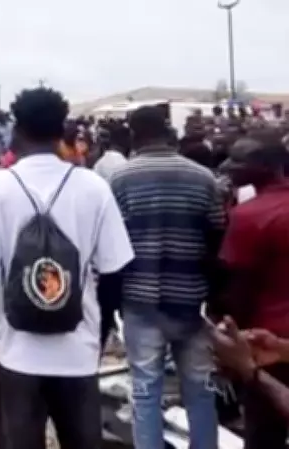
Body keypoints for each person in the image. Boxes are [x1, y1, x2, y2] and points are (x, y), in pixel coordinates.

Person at [0, 87, 134, 449]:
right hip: (78, 353)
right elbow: (115, 274)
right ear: (63, 131)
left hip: (16, 352)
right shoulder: (94, 188)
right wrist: (97, 337)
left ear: (17, 130)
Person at [109, 105, 226, 449]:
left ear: (134, 136)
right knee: (201, 391)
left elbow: (112, 243)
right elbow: (217, 235)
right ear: (168, 134)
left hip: (140, 298)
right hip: (191, 300)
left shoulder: (120, 179)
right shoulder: (203, 177)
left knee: (145, 392)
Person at [217, 133, 289, 448]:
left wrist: (231, 341)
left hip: (264, 341)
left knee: (264, 433)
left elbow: (239, 288)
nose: (230, 167)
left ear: (267, 167)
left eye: (239, 161)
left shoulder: (249, 216)